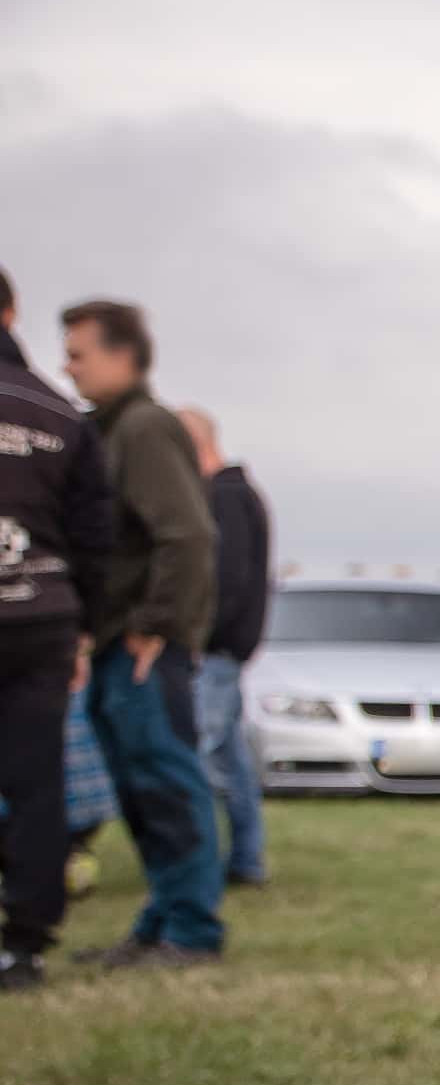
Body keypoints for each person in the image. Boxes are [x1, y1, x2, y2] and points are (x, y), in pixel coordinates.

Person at [58, 299, 225, 968]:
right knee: (138, 790)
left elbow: (187, 534)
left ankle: (191, 930)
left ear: (122, 355)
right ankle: (161, 923)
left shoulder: (146, 428)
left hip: (141, 649)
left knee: (166, 783)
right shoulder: (110, 430)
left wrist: (155, 627)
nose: (69, 369)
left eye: (78, 355)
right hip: (114, 643)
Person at [0, 265, 117, 989]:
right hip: (41, 620)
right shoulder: (57, 413)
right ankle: (26, 942)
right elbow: (95, 539)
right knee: (39, 784)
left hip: (38, 622)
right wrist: (84, 634)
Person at [181, 405, 272, 887]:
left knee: (195, 756)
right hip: (225, 651)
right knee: (230, 759)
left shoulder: (227, 497)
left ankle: (196, 868)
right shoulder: (235, 494)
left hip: (215, 651)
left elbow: (226, 580)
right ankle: (245, 859)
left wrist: (199, 636)